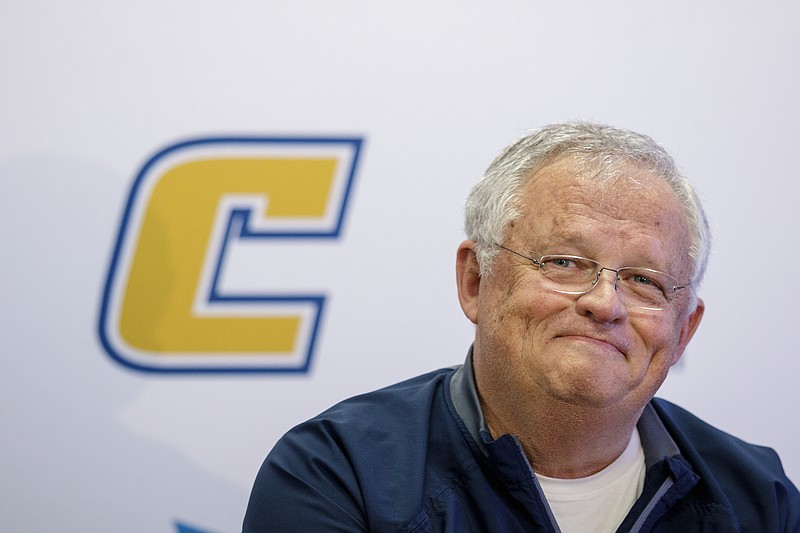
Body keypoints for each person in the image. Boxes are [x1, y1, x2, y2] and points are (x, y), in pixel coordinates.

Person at [243, 123, 800, 532]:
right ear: (475, 281)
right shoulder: (340, 475)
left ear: (683, 332)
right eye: (564, 263)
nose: (605, 303)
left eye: (643, 280)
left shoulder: (761, 500)